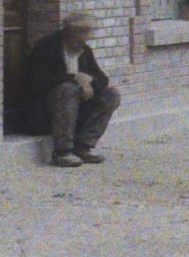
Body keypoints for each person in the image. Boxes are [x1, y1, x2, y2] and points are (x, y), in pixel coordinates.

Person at [24, 11, 121, 167]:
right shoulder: (46, 47)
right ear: (69, 32)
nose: (84, 39)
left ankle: (83, 145)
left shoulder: (84, 49)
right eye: (80, 34)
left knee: (112, 94)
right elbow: (38, 81)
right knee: (68, 89)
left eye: (86, 34)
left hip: (76, 110)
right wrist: (74, 78)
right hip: (44, 112)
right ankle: (62, 151)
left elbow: (102, 78)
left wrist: (90, 79)